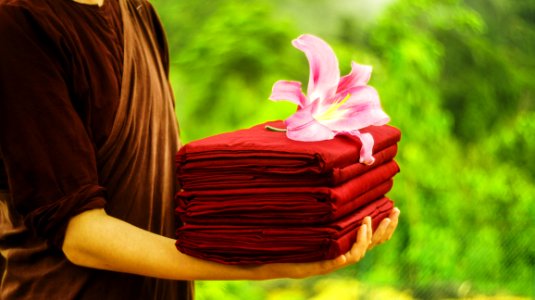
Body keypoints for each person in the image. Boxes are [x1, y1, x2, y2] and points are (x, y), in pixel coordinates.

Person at [0, 0, 400, 298]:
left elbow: (165, 181)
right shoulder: (17, 22)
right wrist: (263, 267)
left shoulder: (135, 10)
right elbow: (81, 234)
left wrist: (302, 221)